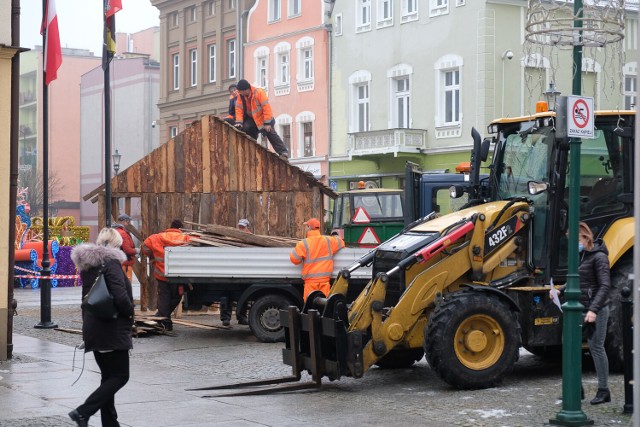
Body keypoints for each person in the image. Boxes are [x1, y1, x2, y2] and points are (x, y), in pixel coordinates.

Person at [69, 228, 135, 427]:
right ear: (117, 244)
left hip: (95, 330)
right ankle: (83, 412)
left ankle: (110, 423)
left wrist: (85, 329)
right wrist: (130, 312)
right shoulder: (112, 263)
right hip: (112, 329)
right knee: (121, 376)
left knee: (108, 379)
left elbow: (85, 301)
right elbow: (120, 296)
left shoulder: (88, 266)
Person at [577, 221, 612, 405]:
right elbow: (578, 280)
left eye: (574, 239)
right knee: (572, 346)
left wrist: (593, 310)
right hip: (584, 307)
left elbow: (605, 286)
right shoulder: (582, 256)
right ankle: (576, 389)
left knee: (596, 347)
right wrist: (559, 289)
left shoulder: (599, 257)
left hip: (596, 309)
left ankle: (604, 390)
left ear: (585, 236)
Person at [142, 219, 192, 331]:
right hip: (178, 275)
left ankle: (163, 318)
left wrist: (152, 255)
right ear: (180, 228)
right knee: (177, 297)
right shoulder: (185, 238)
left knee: (164, 297)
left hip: (162, 274)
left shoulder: (156, 238)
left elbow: (144, 246)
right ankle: (164, 319)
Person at [290, 217, 344, 301]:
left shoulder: (303, 243)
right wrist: (336, 236)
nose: (306, 229)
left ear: (309, 227)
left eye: (306, 226)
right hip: (325, 282)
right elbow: (341, 242)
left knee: (310, 307)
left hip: (310, 283)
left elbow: (294, 260)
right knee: (324, 307)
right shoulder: (328, 240)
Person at [233, 79, 290, 160]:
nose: (238, 92)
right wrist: (239, 122)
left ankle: (283, 152)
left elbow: (266, 108)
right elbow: (239, 109)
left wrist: (267, 123)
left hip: (264, 118)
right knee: (246, 129)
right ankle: (251, 152)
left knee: (270, 132)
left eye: (240, 91)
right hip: (252, 119)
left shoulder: (259, 92)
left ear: (245, 90)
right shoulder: (240, 96)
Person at [219, 219, 252, 326]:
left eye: (243, 227)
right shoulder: (231, 237)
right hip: (230, 270)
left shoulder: (253, 239)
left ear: (248, 228)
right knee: (226, 294)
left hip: (245, 271)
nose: (241, 229)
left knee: (244, 295)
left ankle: (242, 317)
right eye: (240, 227)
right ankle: (226, 319)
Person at [112, 213, 138, 283]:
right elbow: (127, 250)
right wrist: (137, 251)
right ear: (124, 221)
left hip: (118, 262)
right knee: (126, 284)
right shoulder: (123, 233)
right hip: (125, 262)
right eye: (128, 221)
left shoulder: (114, 231)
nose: (128, 223)